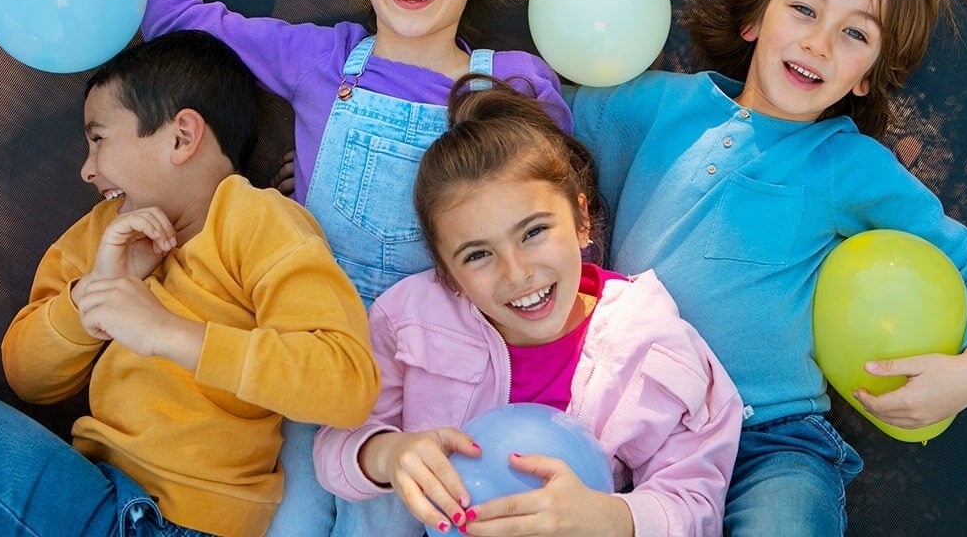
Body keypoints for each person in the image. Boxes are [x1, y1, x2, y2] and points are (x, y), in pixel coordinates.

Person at [120, 0, 572, 535]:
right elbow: (175, 22)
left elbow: (560, 225)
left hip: (441, 381)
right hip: (314, 360)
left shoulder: (515, 84)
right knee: (294, 521)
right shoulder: (321, 60)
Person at [568, 0, 967, 536]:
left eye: (854, 34)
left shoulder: (846, 163)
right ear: (755, 19)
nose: (819, 43)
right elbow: (537, 122)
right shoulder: (653, 104)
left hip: (769, 438)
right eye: (804, 9)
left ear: (866, 75)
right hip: (629, 423)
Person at [0, 31, 379, 537]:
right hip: (96, 490)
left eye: (99, 139)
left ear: (182, 138)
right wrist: (91, 297)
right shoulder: (102, 232)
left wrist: (163, 331)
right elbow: (27, 379)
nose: (87, 169)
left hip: (172, 519)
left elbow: (346, 384)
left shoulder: (256, 220)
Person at [314, 75, 744, 537]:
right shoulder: (408, 323)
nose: (517, 274)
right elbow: (335, 444)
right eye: (478, 255)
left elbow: (697, 504)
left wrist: (614, 517)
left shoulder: (652, 343)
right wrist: (388, 454)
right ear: (448, 274)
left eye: (534, 232)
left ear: (582, 221)